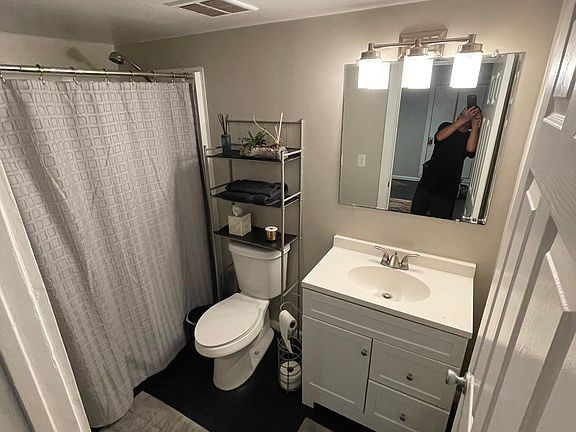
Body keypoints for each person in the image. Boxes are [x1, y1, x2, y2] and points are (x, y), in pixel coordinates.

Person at [410, 106, 481, 219]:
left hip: (449, 185)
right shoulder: (446, 126)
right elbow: (439, 137)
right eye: (465, 112)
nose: (467, 116)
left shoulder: (471, 136)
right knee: (416, 214)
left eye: (471, 116)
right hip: (429, 179)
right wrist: (463, 119)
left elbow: (471, 150)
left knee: (441, 220)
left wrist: (475, 125)